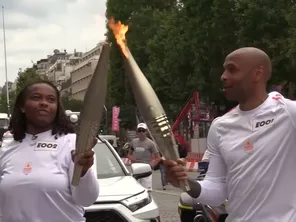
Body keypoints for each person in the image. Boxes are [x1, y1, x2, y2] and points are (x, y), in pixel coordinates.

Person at [164, 47, 296, 221]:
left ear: (258, 73)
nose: (223, 76)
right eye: (225, 69)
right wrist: (186, 183)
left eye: (232, 69)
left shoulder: (288, 113)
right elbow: (217, 190)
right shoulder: (220, 126)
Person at [0, 80, 99, 222]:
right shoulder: (8, 145)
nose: (44, 103)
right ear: (22, 106)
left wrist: (83, 171)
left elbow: (86, 200)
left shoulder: (74, 144)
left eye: (51, 100)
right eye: (36, 97)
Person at [128, 123, 161, 190]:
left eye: (143, 130)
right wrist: (132, 158)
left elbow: (158, 158)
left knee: (146, 190)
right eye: (139, 130)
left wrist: (151, 166)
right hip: (136, 169)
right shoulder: (134, 142)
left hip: (146, 171)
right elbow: (129, 154)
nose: (141, 132)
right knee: (136, 190)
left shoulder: (151, 143)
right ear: (137, 132)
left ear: (146, 132)